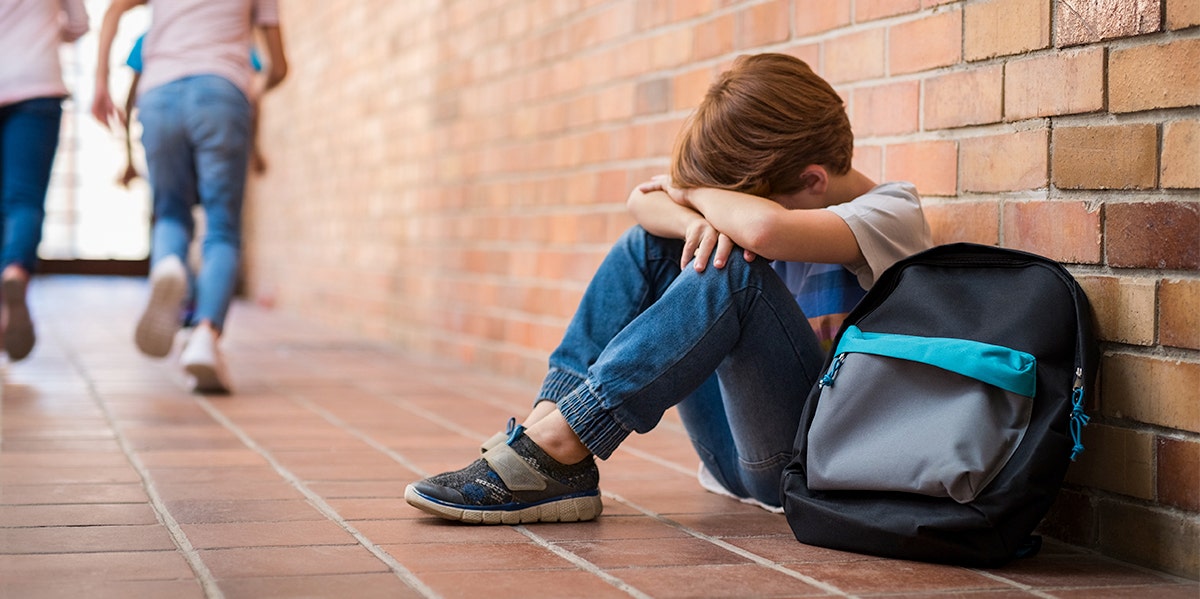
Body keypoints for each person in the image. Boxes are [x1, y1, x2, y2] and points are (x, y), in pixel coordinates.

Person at [404, 53, 934, 524]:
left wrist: (690, 192)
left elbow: (763, 229)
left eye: (747, 200)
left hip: (807, 463)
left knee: (734, 270)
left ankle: (562, 440)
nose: (730, 208)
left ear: (814, 181)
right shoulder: (778, 204)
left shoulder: (892, 213)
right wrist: (689, 217)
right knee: (653, 243)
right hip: (733, 455)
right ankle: (549, 439)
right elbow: (641, 203)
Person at [92, 0, 287, 393]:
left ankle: (168, 264)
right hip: (221, 91)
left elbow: (113, 10)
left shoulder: (152, 43)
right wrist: (252, 92)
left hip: (159, 95)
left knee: (170, 213)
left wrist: (99, 85)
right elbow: (278, 66)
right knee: (221, 225)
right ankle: (205, 335)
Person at [0, 0, 89, 362]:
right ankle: (17, 271)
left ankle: (4, 315)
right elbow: (79, 24)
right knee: (24, 198)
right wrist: (50, 30)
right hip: (38, 83)